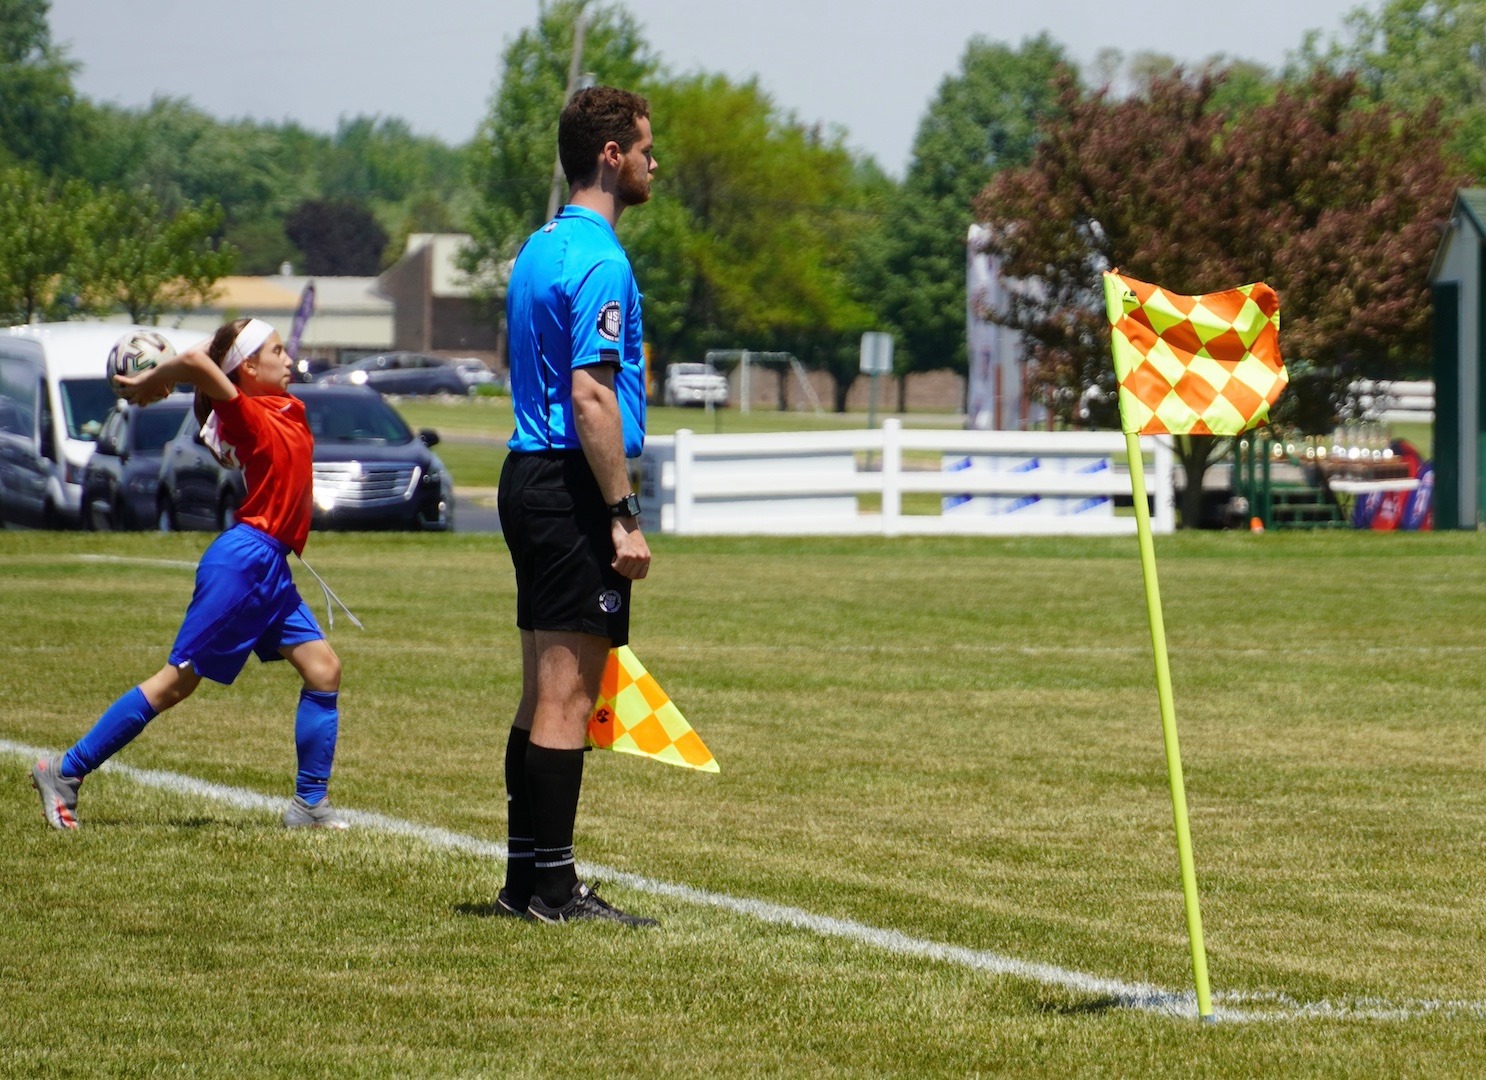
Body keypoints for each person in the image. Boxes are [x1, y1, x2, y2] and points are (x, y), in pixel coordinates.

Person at [31, 318, 348, 831]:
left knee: (323, 670)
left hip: (268, 567)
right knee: (176, 683)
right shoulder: (245, 413)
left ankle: (309, 806)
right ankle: (65, 771)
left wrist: (168, 371)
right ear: (248, 368)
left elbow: (211, 356)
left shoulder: (285, 405)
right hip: (245, 565)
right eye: (277, 350)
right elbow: (204, 362)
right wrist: (155, 377)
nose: (289, 358)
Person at [494, 85, 657, 926]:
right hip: (567, 484)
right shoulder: (601, 259)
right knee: (567, 696)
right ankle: (553, 891)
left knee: (538, 694)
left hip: (527, 474)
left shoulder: (536, 246)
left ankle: (524, 881)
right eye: (645, 148)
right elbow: (591, 396)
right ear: (610, 156)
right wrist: (622, 512)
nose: (653, 163)